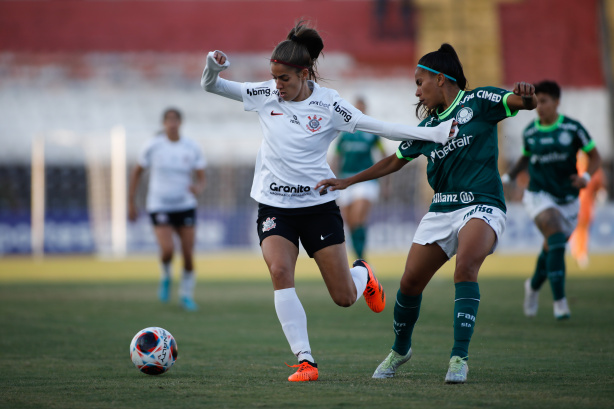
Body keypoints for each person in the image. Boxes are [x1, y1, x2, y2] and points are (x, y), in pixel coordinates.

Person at [200, 21, 457, 382]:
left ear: (304, 74)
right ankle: (306, 360)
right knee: (279, 272)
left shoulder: (330, 105)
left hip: (318, 207)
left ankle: (361, 274)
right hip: (274, 207)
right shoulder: (264, 95)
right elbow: (211, 85)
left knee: (344, 297)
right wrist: (214, 65)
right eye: (273, 78)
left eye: (284, 79)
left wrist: (431, 133)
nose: (277, 86)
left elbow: (377, 127)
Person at [316, 43, 537, 384]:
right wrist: (347, 181)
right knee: (409, 283)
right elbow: (394, 160)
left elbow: (520, 102)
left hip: (482, 202)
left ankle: (458, 358)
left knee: (466, 268)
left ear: (440, 78)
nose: (417, 90)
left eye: (420, 82)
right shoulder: (428, 126)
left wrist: (528, 96)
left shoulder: (479, 101)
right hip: (442, 208)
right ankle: (400, 349)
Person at [502, 80, 602, 320]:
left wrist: (586, 176)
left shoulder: (572, 129)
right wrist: (507, 177)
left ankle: (533, 286)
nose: (540, 106)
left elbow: (594, 156)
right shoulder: (531, 132)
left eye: (545, 101)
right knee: (556, 235)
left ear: (557, 102)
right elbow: (525, 159)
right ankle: (560, 303)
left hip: (568, 198)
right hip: (538, 195)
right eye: (538, 101)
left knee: (552, 246)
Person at [128, 108, 207, 311]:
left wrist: (198, 188)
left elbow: (201, 176)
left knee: (188, 254)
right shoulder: (153, 146)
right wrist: (131, 202)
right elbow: (137, 172)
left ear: (181, 123)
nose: (172, 123)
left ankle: (186, 296)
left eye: (175, 120)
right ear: (163, 123)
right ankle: (165, 276)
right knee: (167, 250)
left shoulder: (191, 147)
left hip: (185, 205)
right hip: (159, 204)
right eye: (168, 120)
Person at [334, 97, 387, 260]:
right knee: (349, 223)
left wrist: (386, 182)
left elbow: (383, 155)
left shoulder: (372, 132)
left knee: (358, 218)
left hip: (366, 180)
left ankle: (362, 260)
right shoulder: (344, 133)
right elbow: (337, 157)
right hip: (345, 181)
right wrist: (333, 179)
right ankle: (360, 258)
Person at [569, 152, 606, 269]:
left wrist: (601, 194)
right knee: (576, 229)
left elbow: (599, 185)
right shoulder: (573, 170)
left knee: (583, 229)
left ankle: (581, 252)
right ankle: (578, 251)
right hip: (573, 204)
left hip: (587, 206)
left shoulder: (593, 171)